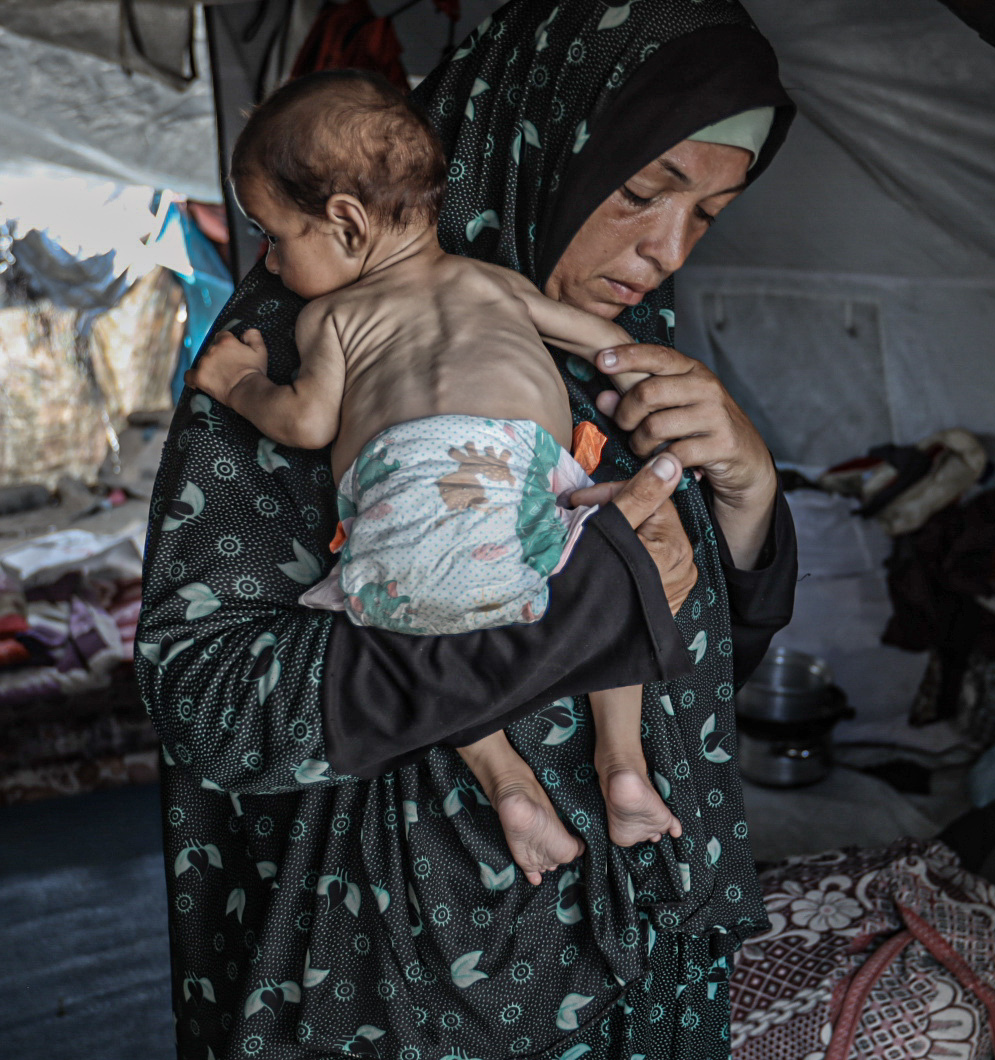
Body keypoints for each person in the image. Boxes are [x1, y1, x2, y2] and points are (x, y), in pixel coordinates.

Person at [138, 0, 797, 1060]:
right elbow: (210, 696)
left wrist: (748, 485)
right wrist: (565, 616)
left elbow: (707, 639)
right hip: (401, 989)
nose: (663, 254)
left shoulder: (628, 342)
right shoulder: (311, 341)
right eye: (642, 194)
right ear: (536, 128)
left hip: (634, 971)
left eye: (709, 216)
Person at [187, 68, 682, 882]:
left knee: (419, 640)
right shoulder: (495, 284)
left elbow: (307, 422)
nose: (270, 265)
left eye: (275, 235)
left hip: (403, 545)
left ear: (345, 223)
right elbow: (604, 345)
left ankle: (507, 783)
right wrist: (654, 381)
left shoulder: (332, 316)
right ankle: (623, 765)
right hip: (522, 514)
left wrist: (237, 383)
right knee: (622, 572)